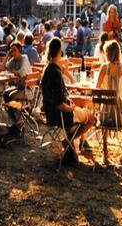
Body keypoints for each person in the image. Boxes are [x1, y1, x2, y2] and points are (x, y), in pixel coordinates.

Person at [40, 37, 95, 165]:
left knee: (80, 106)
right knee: (92, 118)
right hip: (62, 115)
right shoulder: (55, 72)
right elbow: (60, 104)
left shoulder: (48, 69)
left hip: (50, 114)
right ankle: (68, 140)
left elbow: (56, 97)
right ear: (59, 51)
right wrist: (70, 108)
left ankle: (69, 143)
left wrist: (69, 102)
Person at [95, 40, 122, 166]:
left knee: (105, 108)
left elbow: (97, 87)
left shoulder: (103, 67)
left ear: (107, 53)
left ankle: (105, 150)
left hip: (104, 117)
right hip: (120, 118)